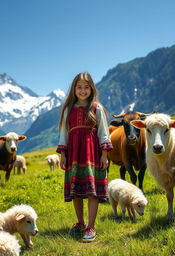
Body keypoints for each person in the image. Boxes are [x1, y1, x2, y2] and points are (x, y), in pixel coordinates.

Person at [57, 72, 113, 242]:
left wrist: (104, 154)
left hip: (92, 154)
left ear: (91, 89)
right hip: (74, 153)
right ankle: (80, 223)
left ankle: (91, 226)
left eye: (86, 87)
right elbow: (64, 134)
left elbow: (104, 132)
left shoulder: (97, 108)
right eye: (79, 87)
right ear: (74, 89)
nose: (82, 90)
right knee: (76, 191)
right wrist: (63, 155)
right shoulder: (68, 109)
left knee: (92, 191)